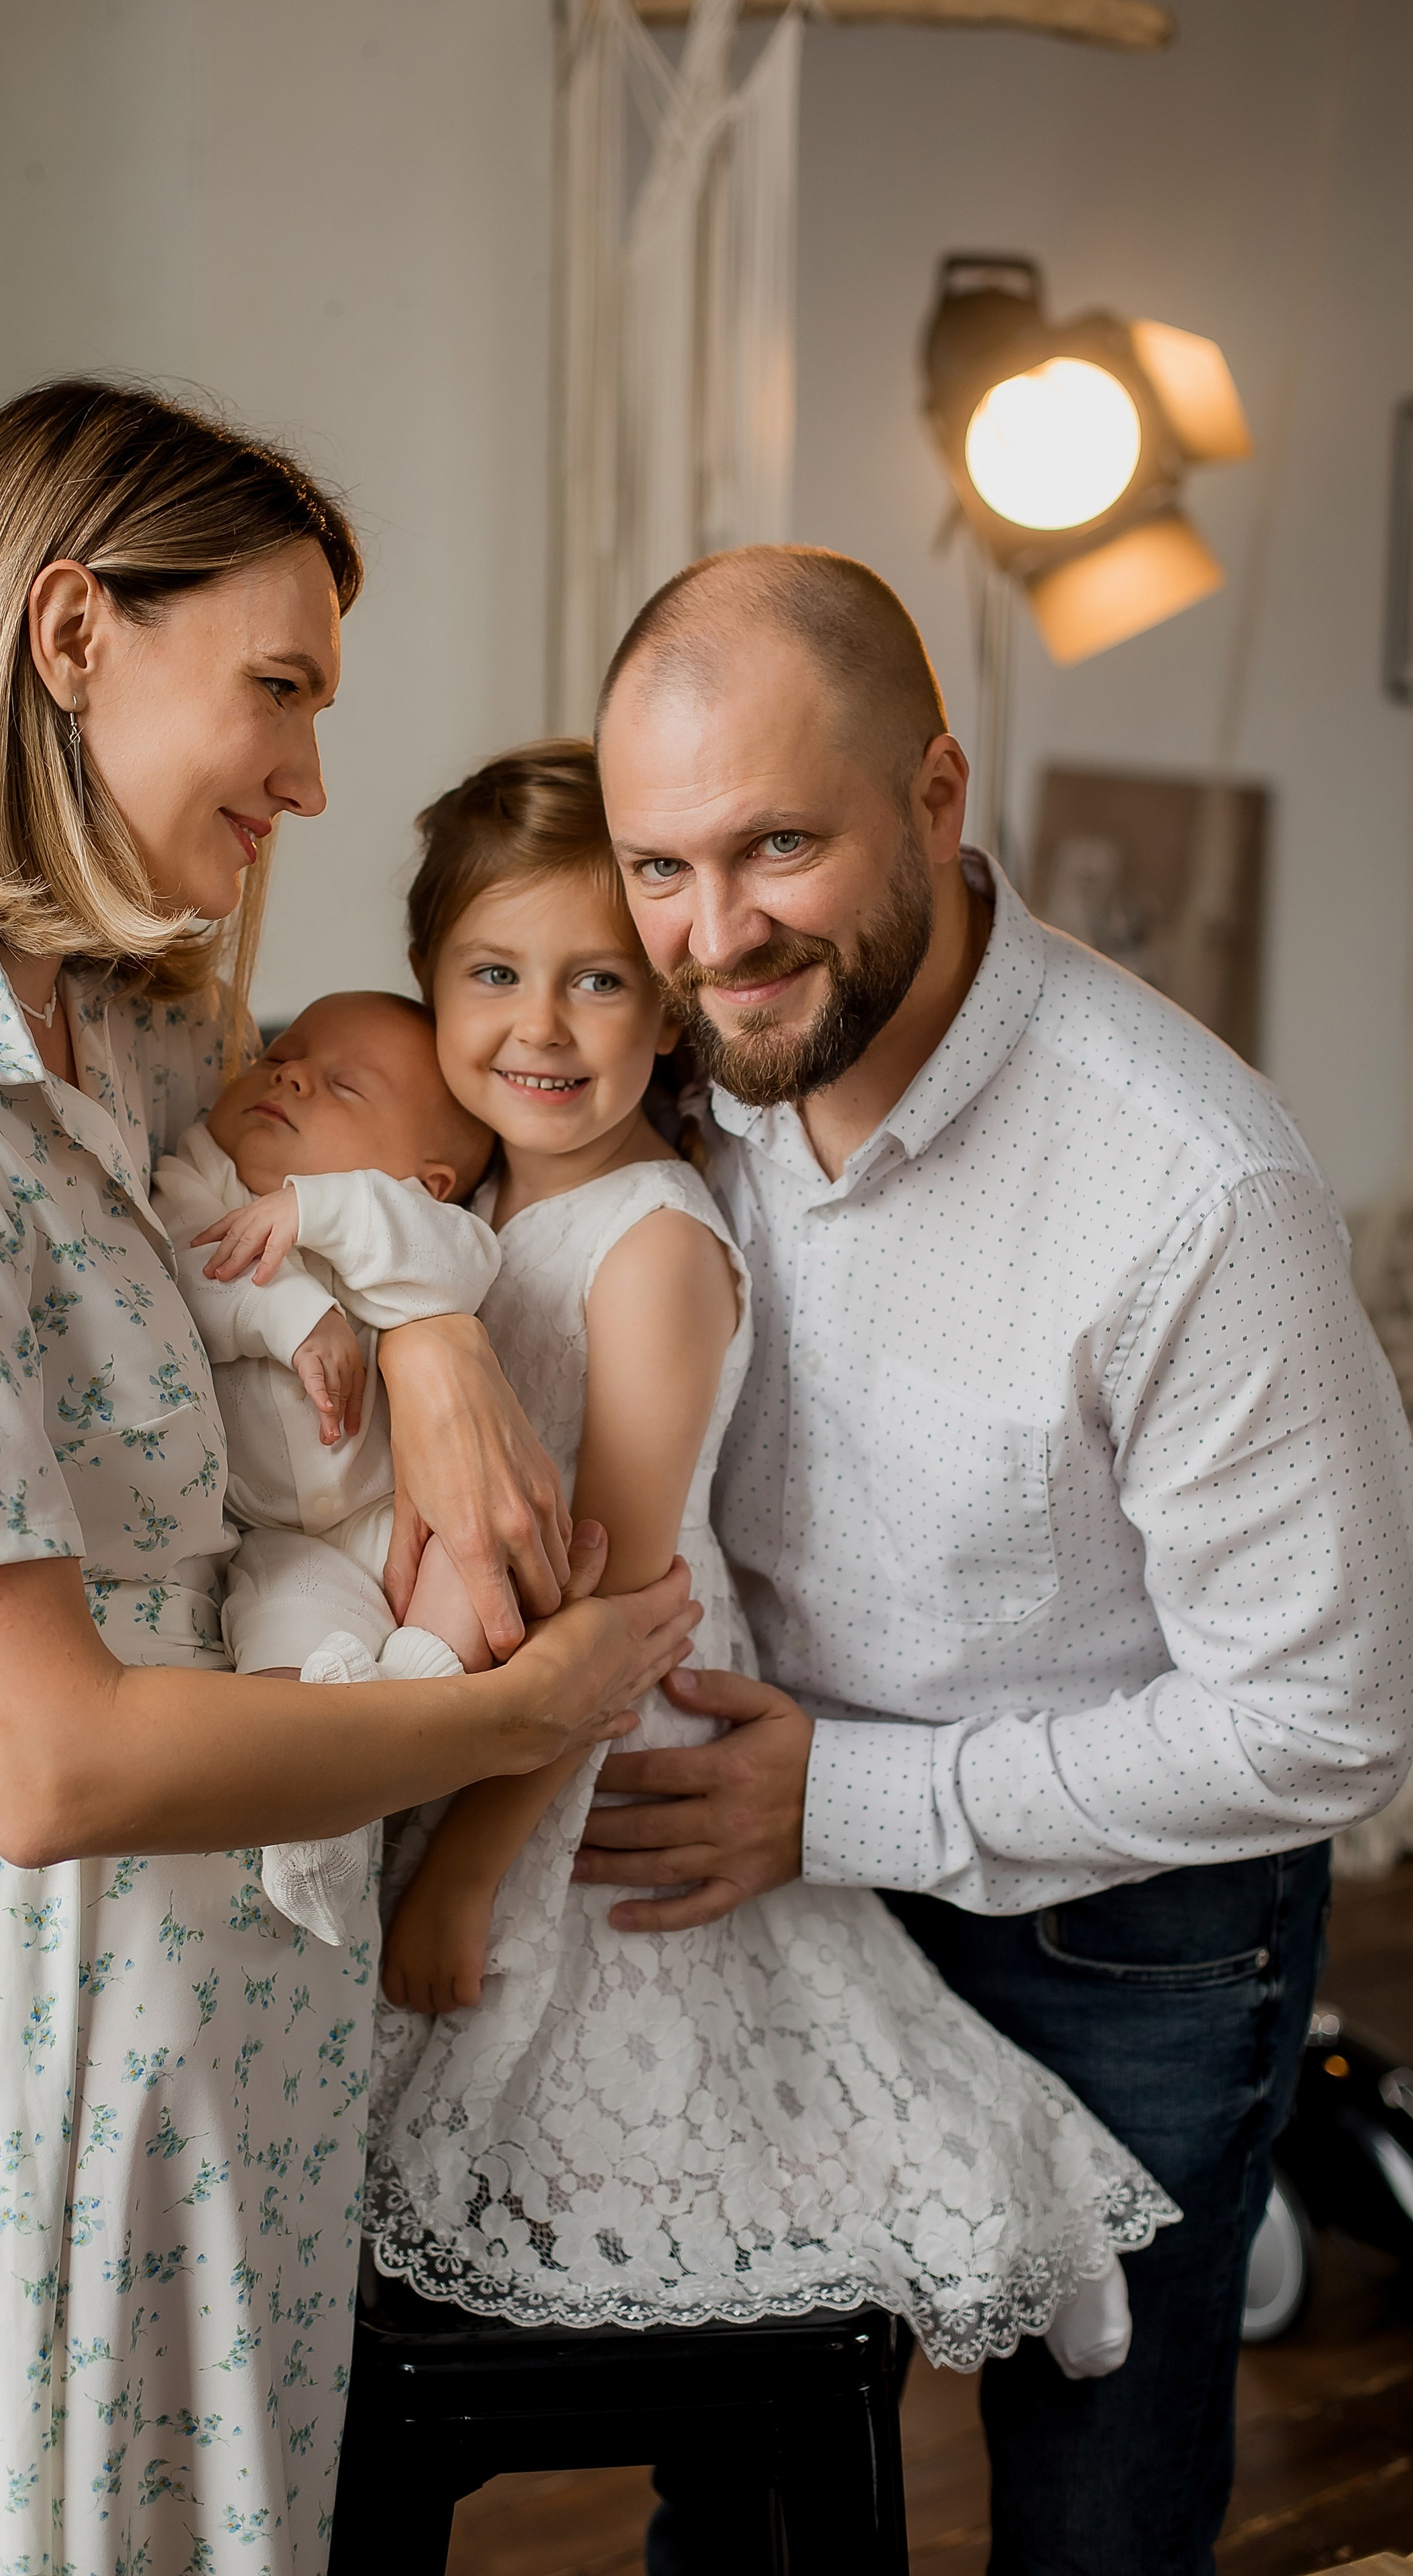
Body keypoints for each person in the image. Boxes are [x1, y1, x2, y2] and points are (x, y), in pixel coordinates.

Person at [0, 382, 697, 2576]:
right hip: (26, 2033)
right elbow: (41, 1765)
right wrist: (524, 1716)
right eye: (279, 689)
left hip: (232, 2016)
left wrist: (427, 1331)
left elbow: (280, 1250)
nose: (312, 776)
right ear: (71, 635)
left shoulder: (133, 1019)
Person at [542, 543, 1413, 2575]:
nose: (712, 931)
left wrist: (840, 1796)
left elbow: (1332, 1717)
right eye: (658, 865)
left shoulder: (1196, 1191)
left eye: (777, 846)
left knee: (1096, 2511)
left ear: (940, 795)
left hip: (1129, 1927)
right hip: (754, 1888)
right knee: (745, 2486)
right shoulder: (668, 1068)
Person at [333, 741, 1172, 2375]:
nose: (540, 1025)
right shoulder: (463, 1201)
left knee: (678, 2103)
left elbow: (622, 1610)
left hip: (596, 1740)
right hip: (479, 1705)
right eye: (492, 973)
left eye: (597, 981)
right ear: (427, 983)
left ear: (667, 1013)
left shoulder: (647, 1246)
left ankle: (965, 2214)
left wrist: (459, 1867)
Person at [153, 987, 500, 1942]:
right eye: (282, 1055)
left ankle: (412, 1688)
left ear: (425, 1180)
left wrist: (318, 1207)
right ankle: (323, 1831)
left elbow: (463, 1263)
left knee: (484, 1554)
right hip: (277, 1536)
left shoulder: (404, 1225)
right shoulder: (199, 1174)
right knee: (274, 1648)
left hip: (397, 1512)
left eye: (341, 1083)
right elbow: (186, 1267)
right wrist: (295, 1312)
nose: (289, 1071)